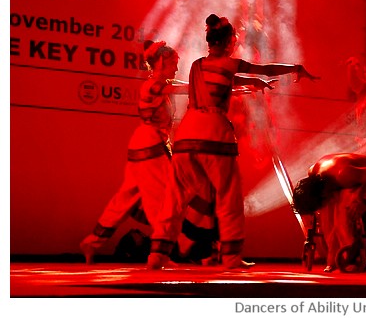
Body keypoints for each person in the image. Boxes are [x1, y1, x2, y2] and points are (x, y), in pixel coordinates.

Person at [147, 13, 319, 270]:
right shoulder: (229, 63)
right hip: (213, 135)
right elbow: (264, 68)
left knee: (174, 197)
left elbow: (227, 80)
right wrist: (295, 68)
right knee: (228, 197)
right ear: (228, 43)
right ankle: (230, 257)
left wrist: (252, 84)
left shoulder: (196, 65)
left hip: (186, 136)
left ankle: (156, 256)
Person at [80, 40, 273, 265]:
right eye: (173, 63)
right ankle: (165, 250)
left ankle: (93, 241)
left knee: (124, 200)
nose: (176, 67)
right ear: (161, 62)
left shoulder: (161, 84)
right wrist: (239, 85)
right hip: (149, 145)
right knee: (163, 200)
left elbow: (194, 86)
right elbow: (191, 86)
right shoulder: (153, 85)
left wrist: (241, 87)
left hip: (145, 144)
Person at [293, 153, 366, 272]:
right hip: (349, 182)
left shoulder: (344, 174)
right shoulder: (313, 172)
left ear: (322, 191)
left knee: (344, 204)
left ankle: (351, 253)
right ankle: (334, 256)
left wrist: (365, 201)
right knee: (328, 207)